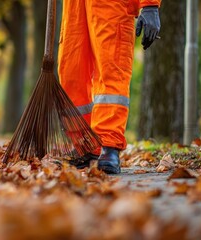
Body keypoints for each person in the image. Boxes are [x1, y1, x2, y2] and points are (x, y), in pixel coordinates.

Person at [58, 0, 161, 174]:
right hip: (74, 6)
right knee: (71, 73)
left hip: (111, 6)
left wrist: (150, 5)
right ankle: (85, 145)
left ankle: (109, 146)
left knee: (111, 72)